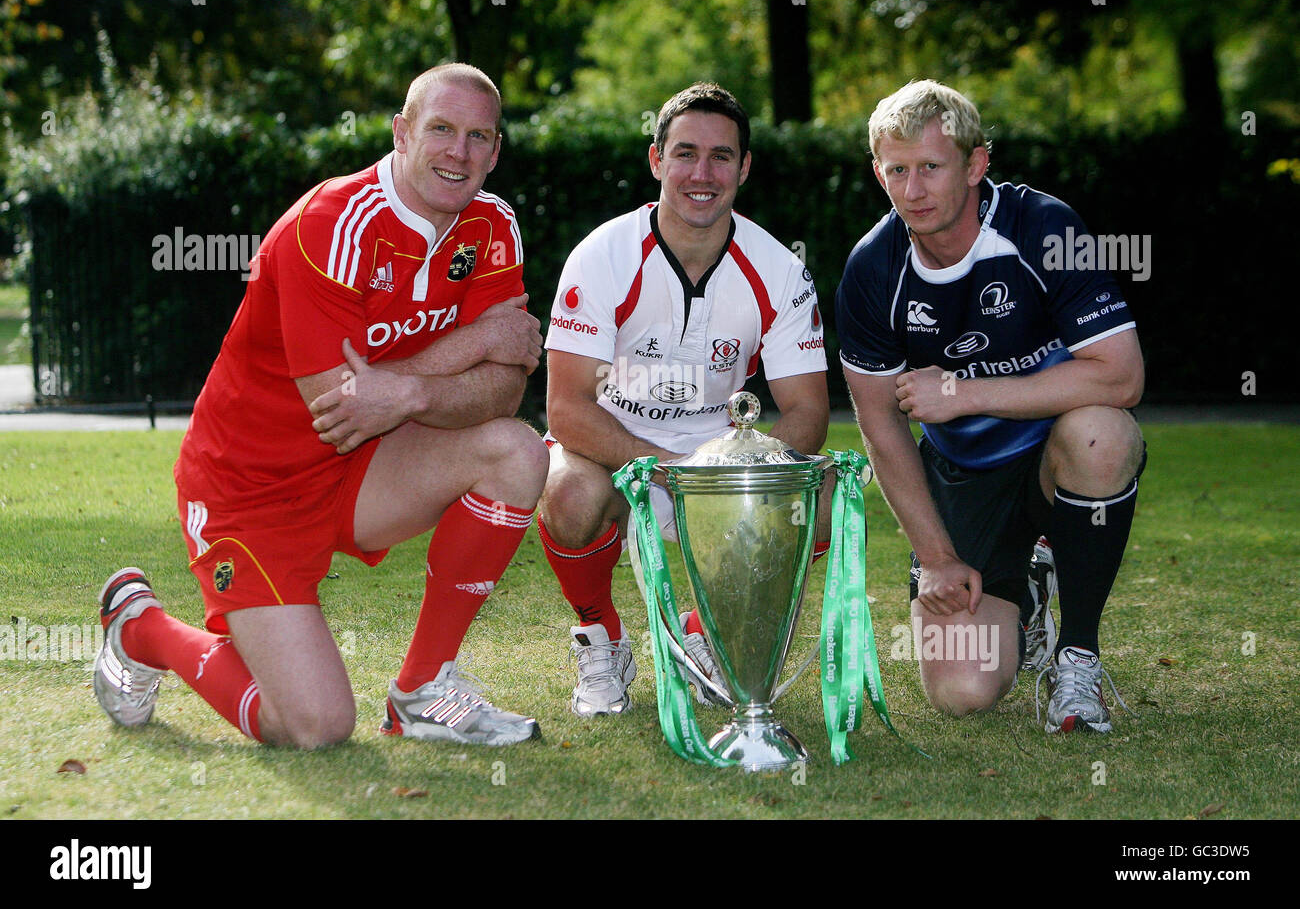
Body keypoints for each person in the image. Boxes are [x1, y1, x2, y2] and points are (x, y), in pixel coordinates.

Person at [92, 63, 550, 748]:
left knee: (516, 449)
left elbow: (505, 390)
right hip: (251, 486)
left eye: (478, 137)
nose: (459, 152)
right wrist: (476, 340)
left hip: (362, 470)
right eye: (441, 130)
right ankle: (142, 627)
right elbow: (339, 406)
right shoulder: (331, 221)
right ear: (402, 133)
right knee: (315, 727)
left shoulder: (493, 224)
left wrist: (413, 389)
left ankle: (424, 691)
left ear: (495, 150)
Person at [836, 80, 1145, 734]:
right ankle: (1028, 591)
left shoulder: (1044, 226)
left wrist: (964, 393)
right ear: (878, 173)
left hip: (1052, 457)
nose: (913, 190)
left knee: (1103, 437)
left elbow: (1121, 377)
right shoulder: (871, 269)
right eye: (897, 170)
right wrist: (937, 555)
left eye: (930, 167)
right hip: (959, 476)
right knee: (962, 691)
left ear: (975, 165)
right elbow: (879, 422)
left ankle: (1078, 656)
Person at [538, 82, 831, 717]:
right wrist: (659, 467)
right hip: (614, 452)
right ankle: (600, 637)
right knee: (567, 492)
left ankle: (702, 636)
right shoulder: (603, 255)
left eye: (722, 157)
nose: (703, 174)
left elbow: (808, 412)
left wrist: (737, 474)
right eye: (685, 153)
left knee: (822, 499)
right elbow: (565, 410)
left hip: (718, 459)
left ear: (745, 167)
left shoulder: (779, 269)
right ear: (656, 161)